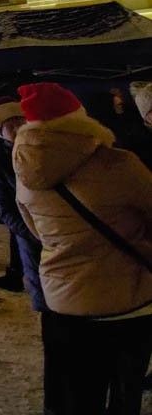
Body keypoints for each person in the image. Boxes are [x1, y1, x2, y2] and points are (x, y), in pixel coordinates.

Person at [12, 82, 152, 415]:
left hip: (63, 302)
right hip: (129, 302)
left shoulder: (25, 172)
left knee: (72, 399)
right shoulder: (118, 163)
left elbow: (33, 229)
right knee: (124, 394)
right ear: (79, 117)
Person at [0, 98, 43, 297]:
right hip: (25, 225)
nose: (16, 129)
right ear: (0, 130)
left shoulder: (42, 149)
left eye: (19, 122)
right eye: (9, 125)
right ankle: (16, 276)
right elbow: (4, 205)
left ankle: (15, 275)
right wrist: (30, 233)